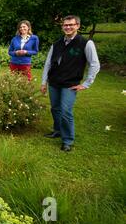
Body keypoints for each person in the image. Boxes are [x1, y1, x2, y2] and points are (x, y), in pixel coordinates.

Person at [41, 15, 100, 152]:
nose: (68, 27)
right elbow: (48, 63)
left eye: (71, 25)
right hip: (54, 82)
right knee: (55, 108)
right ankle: (57, 130)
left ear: (77, 26)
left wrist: (86, 84)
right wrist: (44, 82)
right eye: (65, 25)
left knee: (66, 111)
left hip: (70, 84)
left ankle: (67, 140)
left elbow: (94, 64)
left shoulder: (86, 43)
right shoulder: (56, 44)